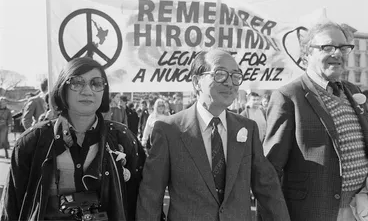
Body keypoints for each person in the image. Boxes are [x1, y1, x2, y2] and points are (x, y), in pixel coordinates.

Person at [136, 49, 289, 221]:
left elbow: (267, 188)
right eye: (220, 74)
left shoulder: (247, 128)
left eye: (236, 76)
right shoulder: (169, 130)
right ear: (196, 82)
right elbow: (151, 195)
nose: (230, 83)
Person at [0, 57, 146, 221]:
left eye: (96, 83)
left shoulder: (121, 137)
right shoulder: (33, 141)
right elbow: (12, 206)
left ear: (104, 91)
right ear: (63, 88)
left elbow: (141, 199)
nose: (87, 91)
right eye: (76, 82)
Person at [263, 20, 368, 221]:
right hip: (316, 213)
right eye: (327, 47)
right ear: (306, 54)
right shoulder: (288, 97)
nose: (337, 53)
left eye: (343, 48)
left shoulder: (353, 91)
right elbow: (270, 170)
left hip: (360, 210)